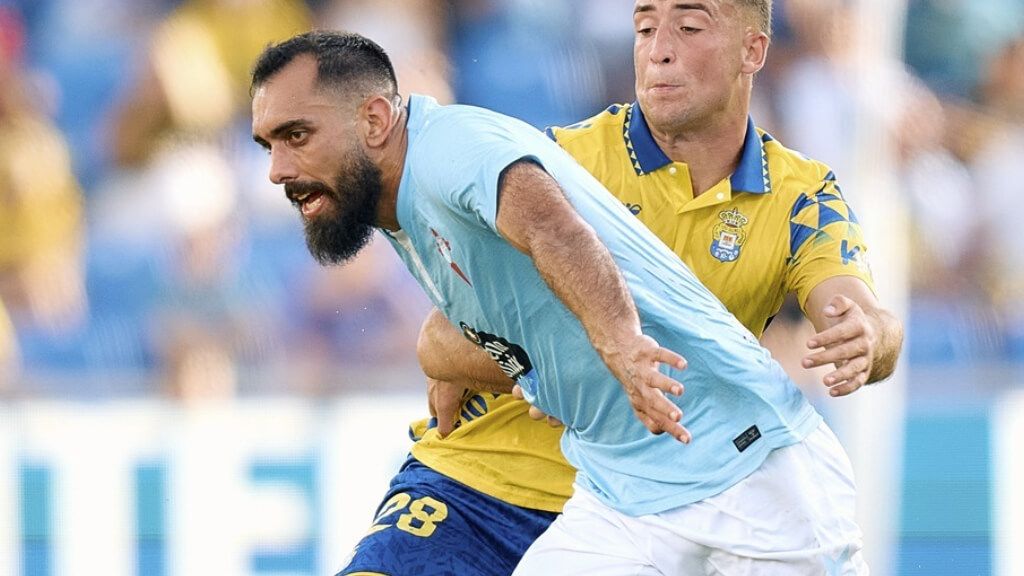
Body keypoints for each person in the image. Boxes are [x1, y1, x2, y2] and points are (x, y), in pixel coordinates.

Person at [251, 29, 875, 575]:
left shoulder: (450, 147)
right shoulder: (395, 192)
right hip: (624, 489)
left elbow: (553, 226)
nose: (278, 168)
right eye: (269, 145)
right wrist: (448, 355)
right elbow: (495, 300)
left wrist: (620, 341)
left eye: (297, 136)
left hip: (750, 470)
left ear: (374, 121)